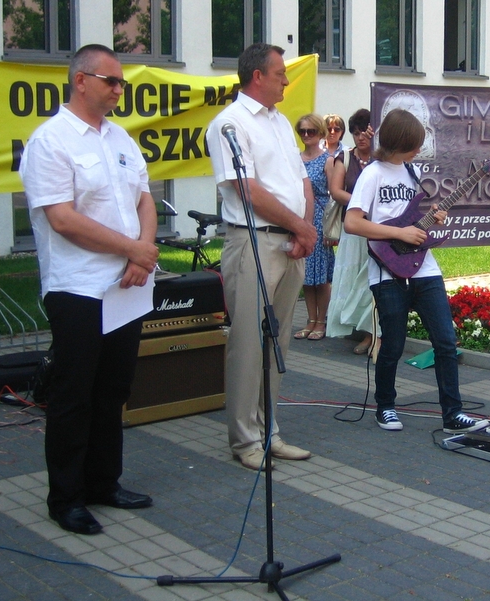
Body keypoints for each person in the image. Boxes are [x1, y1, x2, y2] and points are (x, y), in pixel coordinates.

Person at [19, 44, 157, 535]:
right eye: (111, 81)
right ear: (80, 81)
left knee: (113, 388)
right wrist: (133, 249)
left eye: (122, 83)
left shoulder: (120, 137)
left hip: (127, 284)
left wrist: (142, 252)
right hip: (77, 287)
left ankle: (103, 482)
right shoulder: (50, 141)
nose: (119, 90)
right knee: (74, 393)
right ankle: (66, 497)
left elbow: (144, 199)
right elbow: (63, 219)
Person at [343, 108, 489, 433]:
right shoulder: (372, 174)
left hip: (424, 267)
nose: (419, 150)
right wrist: (399, 233)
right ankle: (385, 406)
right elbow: (352, 223)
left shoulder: (413, 172)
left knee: (446, 342)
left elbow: (410, 218)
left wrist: (432, 218)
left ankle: (453, 413)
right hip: (386, 269)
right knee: (392, 345)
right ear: (399, 142)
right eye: (414, 144)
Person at [206, 43, 316, 471]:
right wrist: (300, 227)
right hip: (254, 241)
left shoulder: (280, 121)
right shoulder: (229, 123)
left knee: (277, 342)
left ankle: (269, 431)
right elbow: (247, 189)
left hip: (291, 242)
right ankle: (245, 439)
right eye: (280, 73)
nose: (286, 80)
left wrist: (304, 229)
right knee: (249, 344)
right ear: (257, 76)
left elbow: (302, 181)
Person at [325, 109, 378, 355]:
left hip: (377, 229)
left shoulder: (382, 159)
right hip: (353, 228)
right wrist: (361, 204)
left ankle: (372, 334)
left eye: (364, 132)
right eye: (356, 133)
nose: (360, 138)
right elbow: (336, 191)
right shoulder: (344, 157)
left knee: (371, 280)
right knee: (354, 279)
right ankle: (357, 326)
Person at [292, 113, 334, 341]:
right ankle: (310, 319)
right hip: (299, 218)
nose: (306, 135)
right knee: (306, 274)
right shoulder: (295, 159)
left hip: (320, 219)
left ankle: (321, 321)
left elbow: (333, 196)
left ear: (320, 133)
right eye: (302, 131)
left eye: (311, 131)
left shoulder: (328, 160)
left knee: (321, 276)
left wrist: (329, 228)